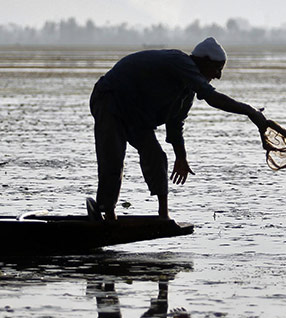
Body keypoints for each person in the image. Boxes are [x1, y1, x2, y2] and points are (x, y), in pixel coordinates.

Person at [88, 37, 267, 221]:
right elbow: (211, 97)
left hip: (137, 114)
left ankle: (163, 216)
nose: (218, 76)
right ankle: (106, 212)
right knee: (113, 157)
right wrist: (249, 111)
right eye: (217, 69)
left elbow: (175, 125)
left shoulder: (187, 92)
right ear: (203, 61)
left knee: (157, 157)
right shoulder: (179, 61)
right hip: (110, 99)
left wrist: (181, 157)